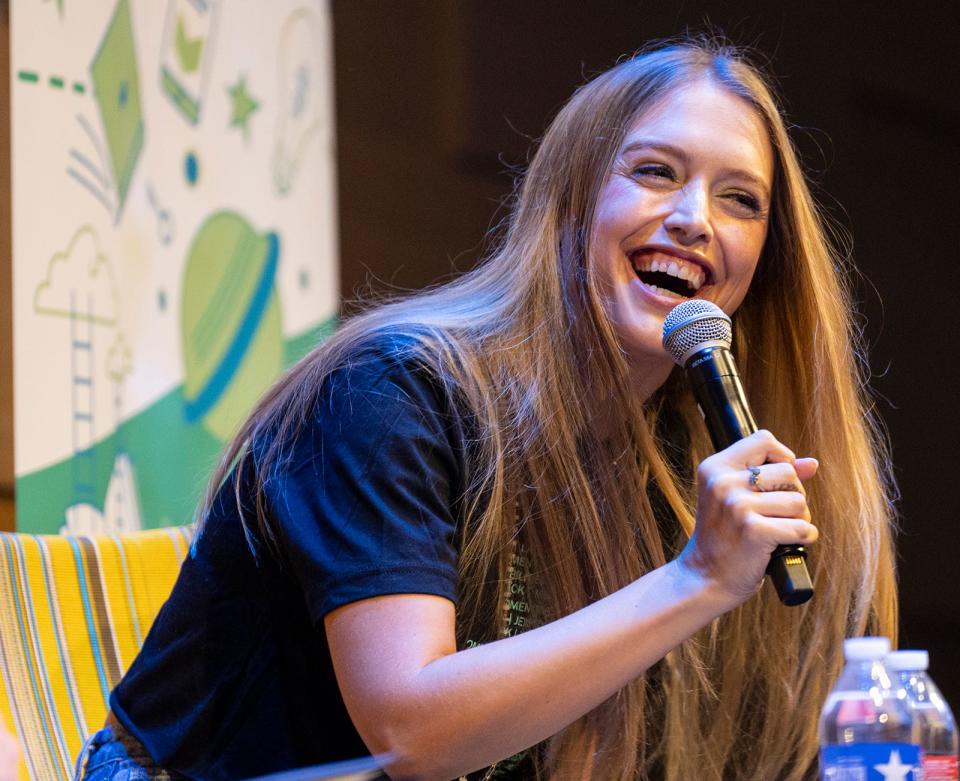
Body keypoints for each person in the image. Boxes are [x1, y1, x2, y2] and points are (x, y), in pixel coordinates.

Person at [74, 38, 897, 781]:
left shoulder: (679, 458)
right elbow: (410, 731)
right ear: (570, 202)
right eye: (655, 172)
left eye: (740, 200)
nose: (693, 219)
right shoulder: (389, 392)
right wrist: (696, 578)